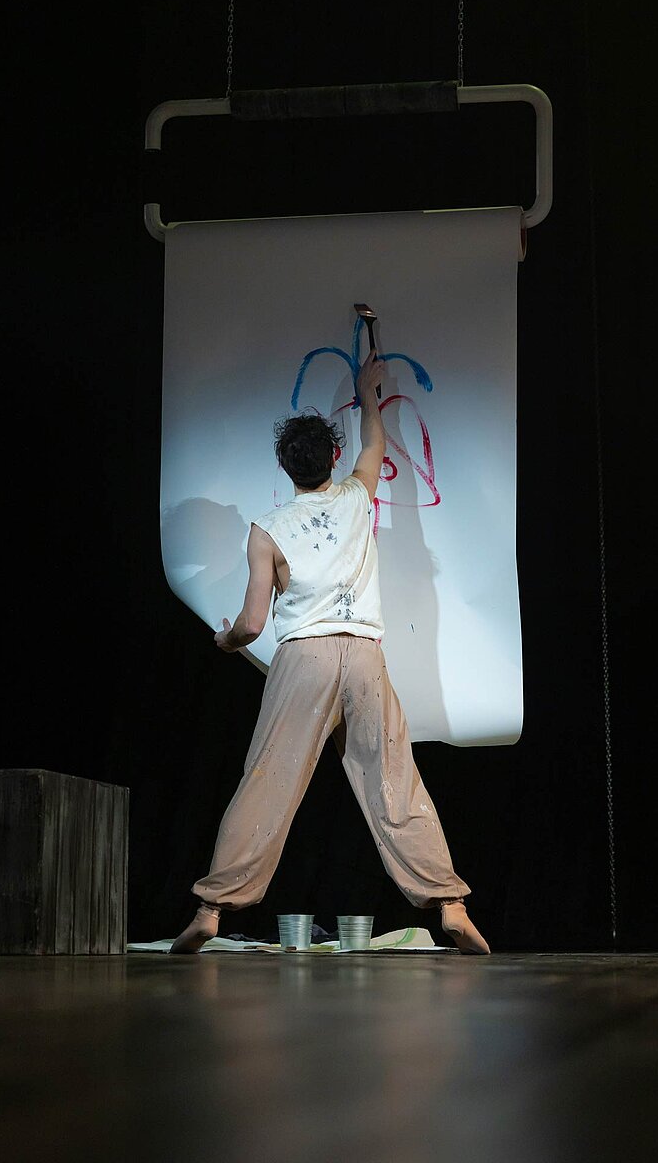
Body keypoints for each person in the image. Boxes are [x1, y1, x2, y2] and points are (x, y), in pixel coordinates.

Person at [170, 349, 490, 955]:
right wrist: (369, 396)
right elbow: (375, 444)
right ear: (333, 459)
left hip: (304, 661)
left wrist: (225, 639)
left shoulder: (267, 529)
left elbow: (253, 623)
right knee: (395, 783)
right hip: (364, 657)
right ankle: (449, 903)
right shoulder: (356, 496)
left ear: (284, 466)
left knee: (267, 782)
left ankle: (212, 909)